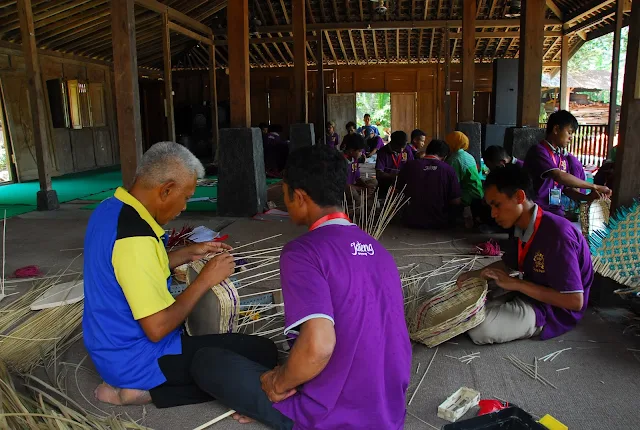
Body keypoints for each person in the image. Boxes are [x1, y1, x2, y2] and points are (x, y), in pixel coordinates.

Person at [83, 143, 281, 424]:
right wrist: (205, 280)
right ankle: (144, 392)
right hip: (136, 360)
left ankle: (138, 385)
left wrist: (188, 253)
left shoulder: (110, 209)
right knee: (263, 353)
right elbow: (158, 328)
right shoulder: (135, 239)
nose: (185, 206)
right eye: (186, 196)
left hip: (105, 345)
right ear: (165, 189)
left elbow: (130, 268)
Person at [259, 144, 410, 428]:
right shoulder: (379, 251)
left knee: (211, 362)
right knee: (260, 349)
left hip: (334, 415)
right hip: (387, 409)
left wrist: (278, 384)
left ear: (300, 196)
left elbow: (319, 347)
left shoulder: (302, 252)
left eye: (285, 194)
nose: (284, 201)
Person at [457, 165, 593, 345]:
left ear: (519, 197)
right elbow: (508, 263)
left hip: (553, 309)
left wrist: (517, 284)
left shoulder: (558, 234)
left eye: (497, 205)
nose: (493, 214)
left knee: (479, 328)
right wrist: (473, 275)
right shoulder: (522, 224)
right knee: (468, 308)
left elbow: (574, 301)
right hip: (529, 291)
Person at [523, 110, 611, 217]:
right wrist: (595, 186)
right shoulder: (538, 151)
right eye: (569, 132)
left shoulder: (561, 157)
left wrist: (587, 198)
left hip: (553, 208)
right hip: (535, 208)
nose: (571, 137)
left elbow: (567, 189)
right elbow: (558, 175)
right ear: (556, 129)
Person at [398, 139, 461, 229]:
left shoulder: (409, 165)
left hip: (411, 220)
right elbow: (456, 201)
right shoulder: (448, 169)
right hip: (440, 222)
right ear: (444, 157)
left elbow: (398, 191)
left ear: (427, 151)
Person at [445, 131, 484, 227]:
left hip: (468, 195)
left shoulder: (454, 159)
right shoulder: (468, 156)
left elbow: (452, 184)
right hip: (478, 191)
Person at [375, 130, 415, 196]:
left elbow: (412, 167)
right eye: (398, 147)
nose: (401, 150)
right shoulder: (383, 152)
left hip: (403, 183)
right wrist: (397, 176)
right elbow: (379, 174)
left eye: (403, 147)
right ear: (392, 143)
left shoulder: (407, 149)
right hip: (387, 184)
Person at [343, 133, 378, 202]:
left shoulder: (354, 159)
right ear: (351, 151)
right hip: (344, 189)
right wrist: (363, 189)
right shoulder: (341, 161)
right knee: (351, 191)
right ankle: (361, 199)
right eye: (359, 151)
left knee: (374, 181)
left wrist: (365, 186)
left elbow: (357, 177)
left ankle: (363, 197)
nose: (361, 153)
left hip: (354, 186)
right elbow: (344, 185)